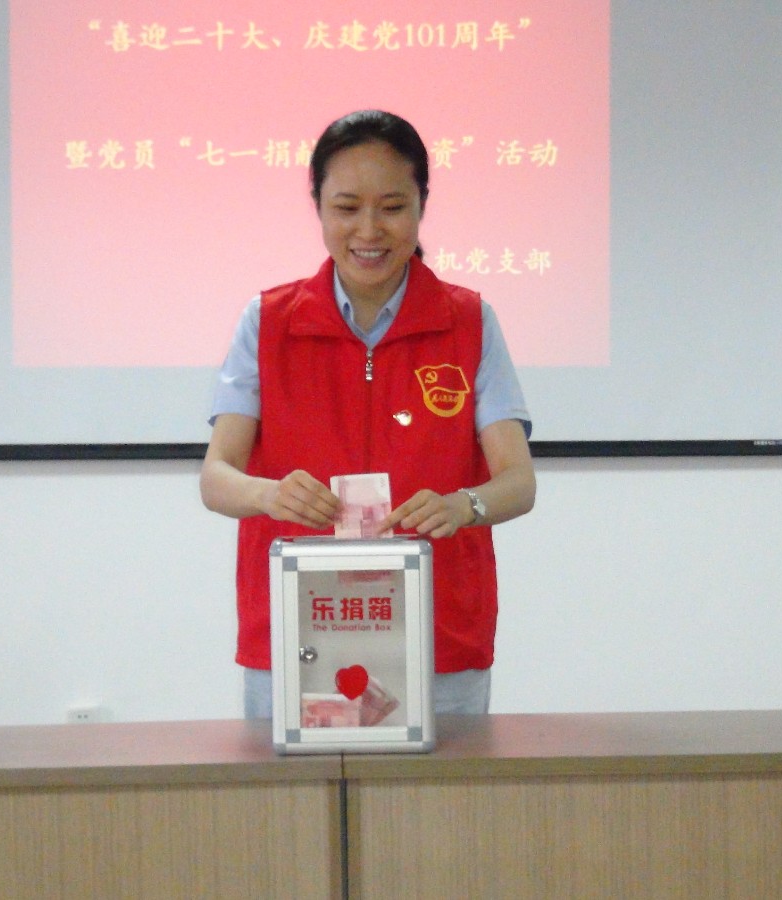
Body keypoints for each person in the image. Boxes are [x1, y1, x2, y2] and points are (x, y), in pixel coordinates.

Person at [200, 109, 535, 718]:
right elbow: (216, 478)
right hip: (297, 632)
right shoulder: (269, 322)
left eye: (393, 207)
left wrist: (463, 506)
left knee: (443, 786)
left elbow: (518, 482)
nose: (369, 230)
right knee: (290, 784)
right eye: (347, 208)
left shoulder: (468, 322)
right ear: (318, 208)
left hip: (438, 635)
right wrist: (270, 494)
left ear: (422, 205)